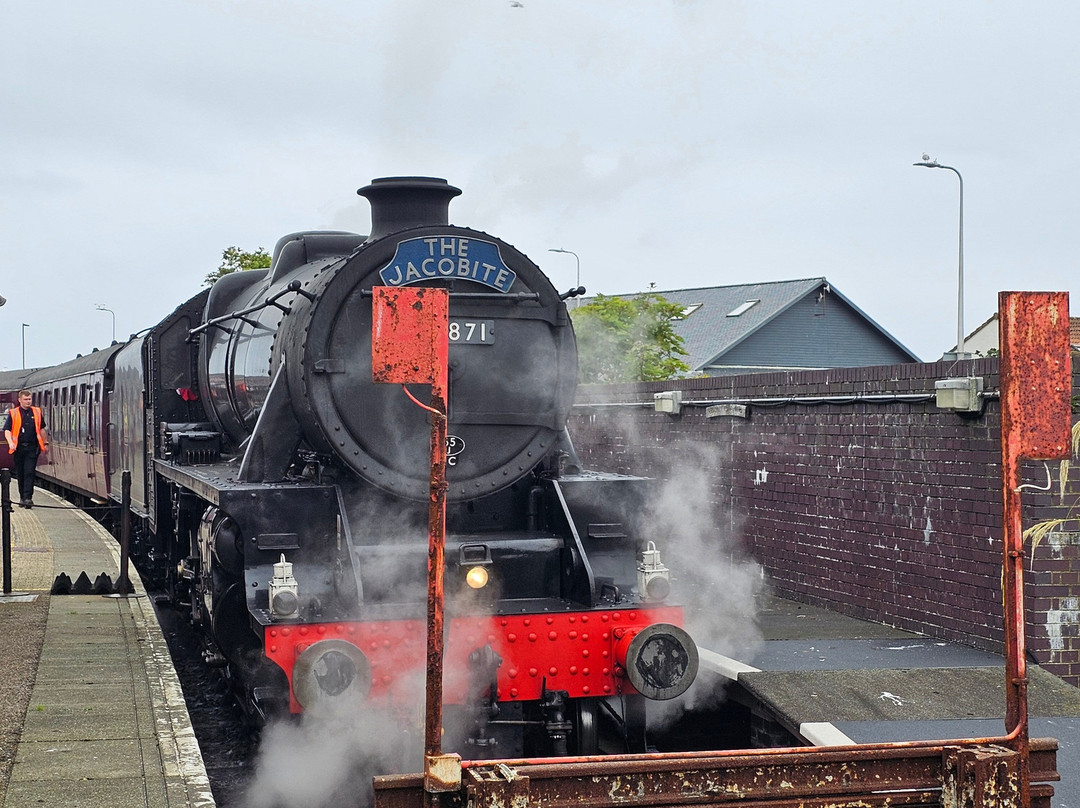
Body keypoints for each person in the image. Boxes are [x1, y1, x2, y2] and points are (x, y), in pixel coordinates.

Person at [4, 390, 48, 508]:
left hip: (32, 447)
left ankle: (28, 498)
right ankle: (22, 497)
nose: (28, 402)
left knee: (29, 472)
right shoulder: (13, 413)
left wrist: (46, 443)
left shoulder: (37, 412)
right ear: (20, 400)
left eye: (30, 399)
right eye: (26, 399)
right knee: (21, 473)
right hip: (18, 448)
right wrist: (10, 443)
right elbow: (7, 430)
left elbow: (42, 428)